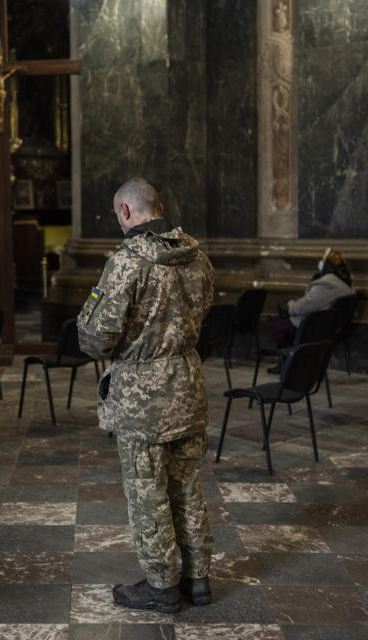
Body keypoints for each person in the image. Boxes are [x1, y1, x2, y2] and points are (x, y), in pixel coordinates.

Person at [77, 177, 214, 612]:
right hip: (187, 386)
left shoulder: (127, 263)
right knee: (187, 485)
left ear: (125, 212)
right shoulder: (198, 258)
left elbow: (95, 336)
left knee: (147, 489)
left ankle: (161, 586)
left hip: (142, 398)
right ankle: (198, 580)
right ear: (160, 205)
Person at [273, 248, 355, 347]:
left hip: (315, 327)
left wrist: (292, 306)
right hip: (331, 327)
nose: (320, 262)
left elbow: (306, 306)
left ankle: (287, 358)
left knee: (281, 323)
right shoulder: (345, 283)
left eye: (323, 259)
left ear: (328, 264)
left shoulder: (327, 283)